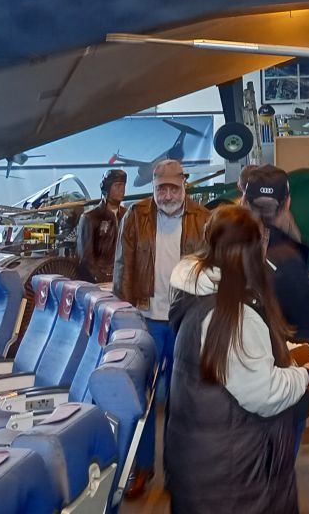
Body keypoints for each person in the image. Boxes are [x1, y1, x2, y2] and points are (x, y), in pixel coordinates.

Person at [165, 204, 309, 514]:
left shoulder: (208, 295)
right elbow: (265, 391)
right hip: (236, 482)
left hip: (213, 472)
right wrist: (307, 377)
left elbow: (261, 353)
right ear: (251, 249)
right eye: (263, 238)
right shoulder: (230, 315)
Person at [113, 158, 210, 492]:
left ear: (184, 185)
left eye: (173, 188)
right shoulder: (135, 216)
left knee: (183, 398)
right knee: (144, 396)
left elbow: (210, 271)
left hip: (186, 321)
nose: (167, 195)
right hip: (146, 320)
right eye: (161, 189)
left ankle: (177, 469)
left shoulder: (203, 219)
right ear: (153, 187)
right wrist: (126, 318)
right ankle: (142, 467)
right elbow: (122, 268)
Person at [240, 163, 309, 342]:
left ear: (244, 200)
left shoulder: (221, 250)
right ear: (287, 203)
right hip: (275, 356)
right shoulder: (292, 266)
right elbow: (305, 340)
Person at [76, 168, 126, 283]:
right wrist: (101, 280)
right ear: (107, 188)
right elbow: (86, 259)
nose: (122, 189)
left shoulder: (127, 215)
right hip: (99, 283)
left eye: (123, 185)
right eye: (117, 185)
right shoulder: (90, 218)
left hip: (123, 280)